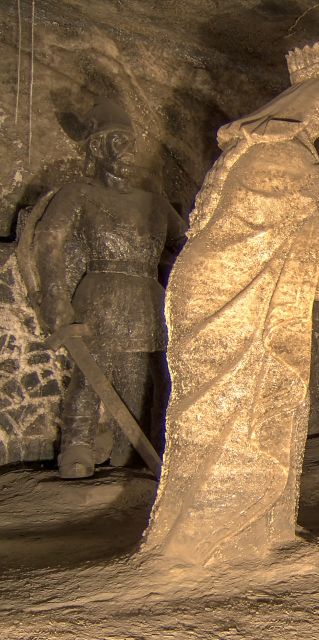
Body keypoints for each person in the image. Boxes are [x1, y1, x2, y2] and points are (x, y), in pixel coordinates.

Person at [140, 41, 319, 565]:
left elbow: (291, 235)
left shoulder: (285, 151)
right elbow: (275, 229)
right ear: (317, 98)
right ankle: (207, 544)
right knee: (232, 411)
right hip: (231, 296)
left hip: (246, 289)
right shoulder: (279, 153)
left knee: (247, 407)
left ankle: (253, 534)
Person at [30, 99, 185, 479]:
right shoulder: (79, 194)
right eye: (116, 141)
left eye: (130, 141)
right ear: (97, 148)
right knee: (89, 376)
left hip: (147, 298)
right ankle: (77, 448)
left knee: (143, 380)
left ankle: (135, 449)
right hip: (100, 293)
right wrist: (55, 297)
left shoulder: (155, 204)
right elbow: (49, 240)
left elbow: (189, 248)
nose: (127, 150)